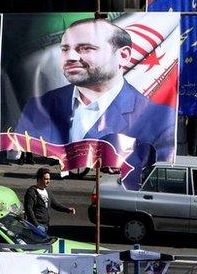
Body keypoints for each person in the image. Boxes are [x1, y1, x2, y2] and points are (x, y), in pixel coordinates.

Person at [12, 18, 175, 170]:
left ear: (123, 56)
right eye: (65, 49)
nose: (71, 57)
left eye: (86, 48)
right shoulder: (39, 105)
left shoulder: (159, 120)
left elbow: (159, 173)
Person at [24, 168, 75, 233]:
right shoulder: (32, 192)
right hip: (36, 226)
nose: (49, 181)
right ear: (39, 179)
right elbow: (28, 209)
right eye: (46, 179)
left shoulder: (47, 192)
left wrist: (67, 209)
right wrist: (36, 225)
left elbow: (55, 205)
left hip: (45, 225)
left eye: (49, 179)